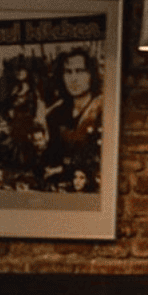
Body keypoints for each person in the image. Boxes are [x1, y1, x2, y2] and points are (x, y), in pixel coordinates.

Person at [44, 48, 103, 191]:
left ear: (91, 74)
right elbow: (52, 157)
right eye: (68, 72)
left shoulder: (102, 110)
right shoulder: (54, 114)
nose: (73, 78)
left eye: (80, 71)